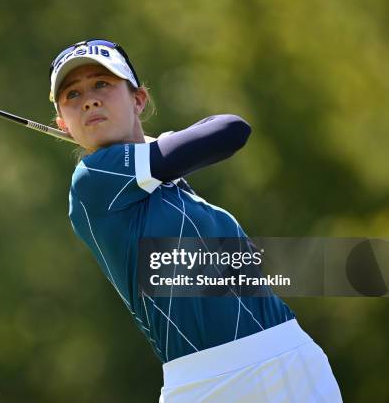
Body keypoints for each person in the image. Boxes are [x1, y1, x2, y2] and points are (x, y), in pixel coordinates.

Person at [48, 39, 343, 402]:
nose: (89, 99)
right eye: (72, 94)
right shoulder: (92, 181)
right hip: (208, 385)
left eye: (102, 84)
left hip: (292, 360)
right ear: (63, 124)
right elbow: (227, 131)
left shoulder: (169, 185)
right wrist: (163, 145)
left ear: (138, 100)